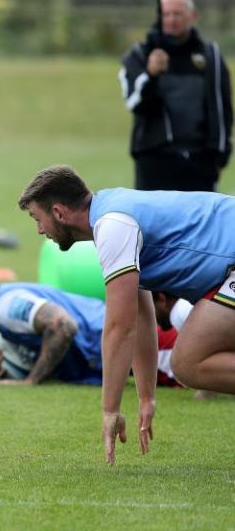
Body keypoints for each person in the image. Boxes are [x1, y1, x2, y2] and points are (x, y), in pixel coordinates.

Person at [17, 164, 235, 465]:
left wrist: (110, 410)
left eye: (37, 219)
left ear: (58, 212)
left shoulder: (113, 226)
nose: (40, 230)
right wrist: (147, 397)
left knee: (187, 362)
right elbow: (141, 316)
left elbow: (120, 327)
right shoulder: (112, 215)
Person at [118, 0, 232, 192]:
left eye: (178, 13)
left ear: (192, 16)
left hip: (200, 161)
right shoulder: (139, 55)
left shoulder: (210, 54)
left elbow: (222, 108)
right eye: (166, 14)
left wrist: (219, 156)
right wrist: (151, 75)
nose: (171, 19)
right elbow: (136, 103)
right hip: (154, 161)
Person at [0, 266, 103, 386]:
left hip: (111, 333)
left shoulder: (7, 307)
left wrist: (31, 380)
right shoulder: (5, 312)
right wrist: (1, 371)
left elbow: (63, 325)